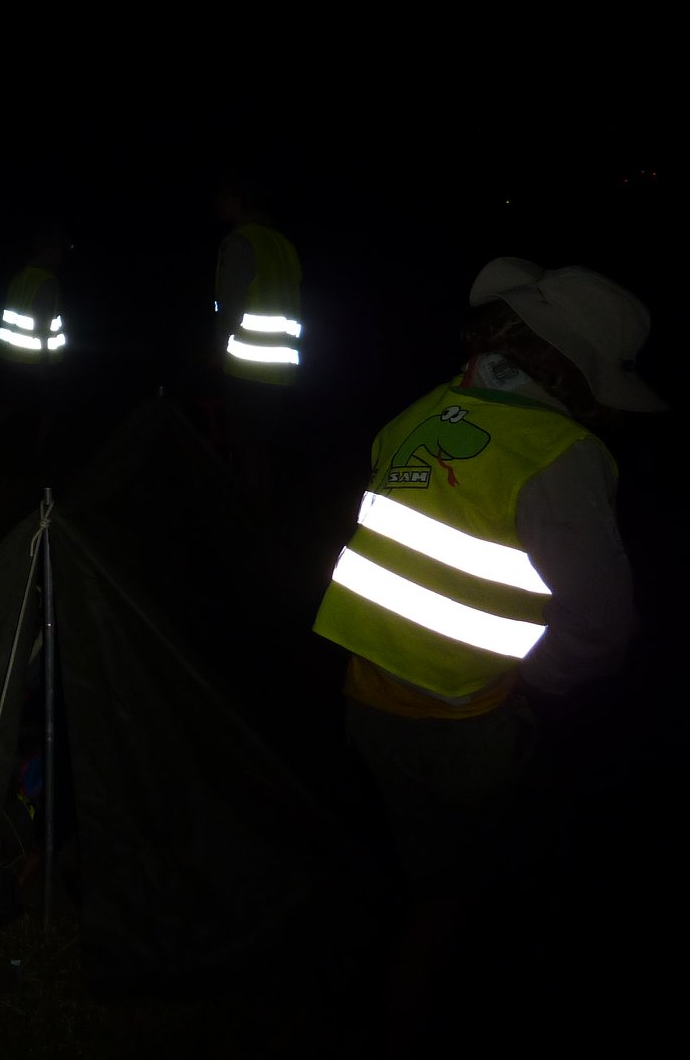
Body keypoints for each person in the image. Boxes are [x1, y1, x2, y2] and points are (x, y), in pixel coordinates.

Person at [310, 257, 664, 1042]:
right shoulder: (558, 453)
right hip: (468, 724)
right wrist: (543, 681)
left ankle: (379, 955)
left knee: (416, 864)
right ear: (577, 372)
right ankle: (411, 1019)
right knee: (459, 896)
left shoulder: (419, 413)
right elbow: (603, 625)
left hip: (364, 701)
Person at [210, 173, 303, 504]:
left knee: (245, 442)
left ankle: (248, 510)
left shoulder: (239, 242)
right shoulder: (283, 244)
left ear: (237, 202)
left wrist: (218, 349)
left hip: (247, 364)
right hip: (283, 365)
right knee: (264, 444)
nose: (217, 206)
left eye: (222, 198)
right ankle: (265, 505)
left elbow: (231, 306)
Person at [0, 225, 70, 471]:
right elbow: (43, 325)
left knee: (14, 402)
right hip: (35, 359)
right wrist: (45, 362)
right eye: (56, 251)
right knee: (47, 408)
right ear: (44, 252)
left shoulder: (19, 276)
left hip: (8, 354)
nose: (60, 257)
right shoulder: (48, 281)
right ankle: (37, 458)